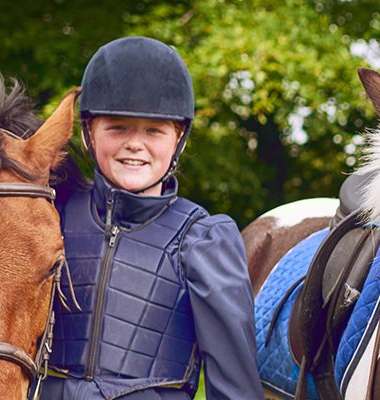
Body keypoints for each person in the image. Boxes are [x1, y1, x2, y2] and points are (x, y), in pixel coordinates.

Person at [40, 36, 263, 399]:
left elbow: (234, 386)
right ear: (88, 135)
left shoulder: (202, 239)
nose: (135, 144)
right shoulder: (53, 215)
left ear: (179, 140)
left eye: (154, 130)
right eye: (118, 127)